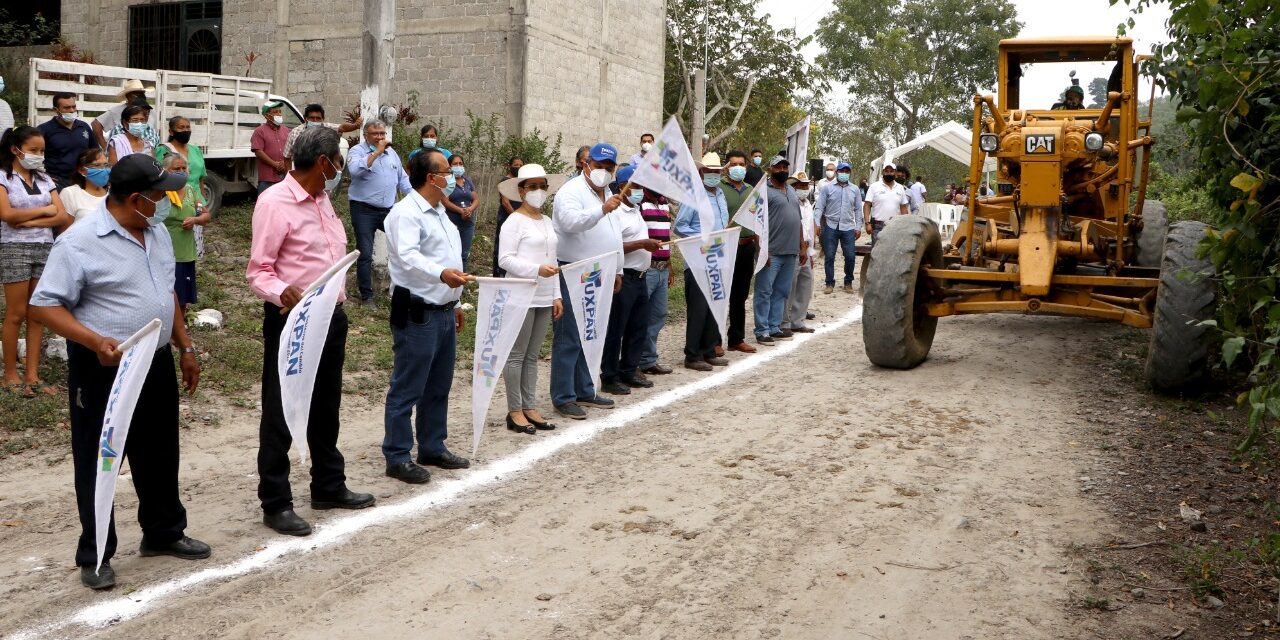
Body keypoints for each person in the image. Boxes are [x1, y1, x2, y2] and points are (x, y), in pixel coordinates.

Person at [29, 153, 209, 590]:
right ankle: (96, 553)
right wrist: (94, 342)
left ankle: (164, 532)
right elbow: (44, 305)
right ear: (135, 198)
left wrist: (184, 345)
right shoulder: (79, 241)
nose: (168, 201)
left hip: (155, 360)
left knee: (160, 449)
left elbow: (166, 294)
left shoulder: (157, 233)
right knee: (100, 456)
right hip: (103, 367)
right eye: (160, 195)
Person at [246, 126, 375, 536]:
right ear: (323, 162)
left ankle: (327, 484)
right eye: (338, 160)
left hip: (330, 320)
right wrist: (283, 292)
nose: (341, 168)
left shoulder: (323, 201)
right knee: (282, 409)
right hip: (293, 321)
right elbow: (258, 271)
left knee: (325, 404)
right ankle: (276, 501)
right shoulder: (275, 203)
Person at [379, 148, 473, 483]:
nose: (453, 176)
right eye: (447, 171)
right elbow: (407, 257)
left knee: (438, 384)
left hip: (444, 311)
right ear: (431, 178)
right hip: (418, 311)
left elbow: (450, 258)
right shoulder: (407, 213)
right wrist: (441, 275)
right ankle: (397, 454)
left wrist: (456, 301)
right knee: (407, 386)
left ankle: (432, 445)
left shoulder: (439, 213)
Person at [550, 142, 623, 420]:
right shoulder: (571, 191)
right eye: (599, 166)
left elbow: (614, 233)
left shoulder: (608, 192)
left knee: (590, 331)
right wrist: (602, 210)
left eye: (609, 168)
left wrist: (618, 268)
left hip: (599, 272)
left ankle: (584, 387)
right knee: (569, 336)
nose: (603, 172)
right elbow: (570, 223)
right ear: (585, 164)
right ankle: (563, 396)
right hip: (572, 271)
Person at [1, 126, 71, 395]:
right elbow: (6, 214)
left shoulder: (45, 179)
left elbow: (62, 216)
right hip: (13, 248)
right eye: (33, 150)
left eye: (41, 151)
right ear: (15, 149)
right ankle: (10, 373)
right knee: (16, 313)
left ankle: (32, 374)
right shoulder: (3, 178)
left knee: (37, 313)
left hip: (45, 247)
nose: (38, 155)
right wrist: (44, 211)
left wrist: (27, 218)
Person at [496, 163, 566, 433]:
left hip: (544, 295)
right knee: (516, 355)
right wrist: (535, 270)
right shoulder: (514, 221)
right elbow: (505, 259)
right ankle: (515, 410)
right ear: (521, 190)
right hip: (520, 294)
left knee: (532, 355)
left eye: (542, 186)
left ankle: (529, 405)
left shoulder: (547, 221)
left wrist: (556, 294)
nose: (537, 191)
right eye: (532, 186)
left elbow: (553, 260)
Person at [599, 164, 662, 395]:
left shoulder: (636, 209)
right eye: (636, 186)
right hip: (623, 276)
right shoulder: (615, 212)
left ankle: (629, 369)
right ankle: (609, 375)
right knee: (616, 328)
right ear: (622, 187)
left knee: (638, 326)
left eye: (643, 186)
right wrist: (642, 244)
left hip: (641, 277)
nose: (640, 190)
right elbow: (612, 247)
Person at [673, 152, 731, 371]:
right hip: (698, 259)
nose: (713, 175)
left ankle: (709, 349)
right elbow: (680, 226)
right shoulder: (693, 196)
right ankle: (693, 354)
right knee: (698, 308)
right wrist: (702, 239)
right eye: (709, 171)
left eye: (717, 171)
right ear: (701, 173)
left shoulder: (720, 195)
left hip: (718, 258)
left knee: (714, 303)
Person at [347, 119, 412, 304]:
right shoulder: (357, 151)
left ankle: (401, 291)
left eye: (382, 134)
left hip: (388, 210)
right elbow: (354, 171)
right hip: (363, 210)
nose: (380, 137)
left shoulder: (392, 154)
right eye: (375, 134)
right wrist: (376, 152)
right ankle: (367, 296)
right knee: (365, 253)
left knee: (403, 247)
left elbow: (403, 179)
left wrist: (417, 198)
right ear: (366, 135)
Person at [753, 156, 804, 344]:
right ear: (770, 168)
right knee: (764, 291)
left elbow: (798, 220)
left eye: (785, 166)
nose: (782, 169)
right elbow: (756, 222)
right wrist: (762, 250)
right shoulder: (763, 191)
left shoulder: (791, 190)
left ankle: (774, 327)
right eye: (778, 167)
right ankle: (762, 330)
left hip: (790, 251)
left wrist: (803, 246)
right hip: (771, 251)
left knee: (781, 291)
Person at [158, 153, 210, 313]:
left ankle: (180, 326)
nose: (181, 171)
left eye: (183, 168)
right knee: (166, 293)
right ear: (166, 170)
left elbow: (206, 214)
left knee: (182, 295)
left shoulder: (190, 191)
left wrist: (195, 220)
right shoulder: (161, 192)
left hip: (185, 252)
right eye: (176, 169)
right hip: (164, 251)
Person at [718, 149, 758, 355]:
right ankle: (715, 340)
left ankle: (736, 338)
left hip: (747, 246)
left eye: (742, 164)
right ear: (726, 167)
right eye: (733, 164)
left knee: (740, 295)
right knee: (721, 293)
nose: (738, 168)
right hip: (726, 247)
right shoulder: (719, 188)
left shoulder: (752, 188)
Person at [156, 116, 212, 257]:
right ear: (171, 131)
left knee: (192, 242)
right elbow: (157, 177)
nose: (186, 130)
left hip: (194, 201)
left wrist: (202, 200)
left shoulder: (195, 150)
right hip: (172, 201)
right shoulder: (163, 150)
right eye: (181, 127)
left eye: (188, 127)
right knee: (172, 245)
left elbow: (201, 177)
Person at [637, 187, 674, 376]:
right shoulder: (639, 203)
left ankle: (648, 359)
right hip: (647, 267)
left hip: (662, 267)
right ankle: (632, 362)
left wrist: (669, 264)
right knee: (638, 316)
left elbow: (666, 236)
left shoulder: (664, 202)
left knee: (658, 315)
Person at [815, 161, 864, 294]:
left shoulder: (855, 189)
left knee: (850, 256)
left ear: (850, 173)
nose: (844, 174)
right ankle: (829, 283)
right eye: (842, 171)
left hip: (848, 227)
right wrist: (817, 223)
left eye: (847, 171)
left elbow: (858, 210)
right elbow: (820, 207)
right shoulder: (827, 188)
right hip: (830, 226)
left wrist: (858, 226)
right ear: (837, 172)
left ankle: (848, 282)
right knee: (829, 256)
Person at [783, 170, 818, 334]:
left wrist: (811, 251)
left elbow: (810, 229)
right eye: (801, 185)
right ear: (794, 186)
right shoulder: (790, 202)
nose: (804, 188)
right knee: (790, 285)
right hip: (794, 248)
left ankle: (798, 320)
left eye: (806, 185)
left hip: (807, 249)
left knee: (806, 283)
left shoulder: (808, 205)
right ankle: (785, 320)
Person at [38, 92, 95, 187]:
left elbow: (94, 152)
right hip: (58, 181)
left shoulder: (84, 127)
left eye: (74, 107)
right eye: (66, 108)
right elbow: (32, 155)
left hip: (83, 179)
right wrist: (42, 176)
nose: (72, 110)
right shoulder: (44, 130)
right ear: (56, 110)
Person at [282, 103, 360, 163]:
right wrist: (290, 174)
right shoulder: (295, 132)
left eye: (318, 118)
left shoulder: (327, 128)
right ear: (305, 118)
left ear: (323, 119)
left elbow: (342, 127)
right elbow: (287, 157)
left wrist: (355, 126)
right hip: (300, 174)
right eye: (312, 118)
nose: (315, 121)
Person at [93, 79, 158, 150]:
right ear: (128, 96)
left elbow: (154, 138)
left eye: (141, 93)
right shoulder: (116, 112)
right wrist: (105, 147)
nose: (140, 96)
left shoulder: (152, 112)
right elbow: (96, 124)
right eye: (136, 94)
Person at [442, 152, 478, 268]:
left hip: (468, 223)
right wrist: (461, 211)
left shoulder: (467, 181)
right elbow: (445, 201)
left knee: (464, 254)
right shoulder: (447, 181)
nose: (458, 166)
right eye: (455, 164)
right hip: (452, 222)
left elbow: (476, 199)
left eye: (460, 164)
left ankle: (462, 280)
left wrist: (470, 209)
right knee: (452, 253)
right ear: (449, 166)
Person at [492, 156, 524, 277]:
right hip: (507, 217)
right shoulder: (504, 181)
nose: (518, 167)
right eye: (516, 165)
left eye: (521, 165)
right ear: (509, 166)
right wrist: (515, 216)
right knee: (504, 244)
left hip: (519, 216)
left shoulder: (521, 181)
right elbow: (505, 202)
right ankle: (500, 274)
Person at [251, 100, 291, 194]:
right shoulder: (259, 131)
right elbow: (258, 151)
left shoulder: (286, 130)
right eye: (275, 112)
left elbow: (291, 149)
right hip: (267, 179)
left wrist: (285, 163)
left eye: (280, 112)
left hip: (284, 176)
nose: (279, 114)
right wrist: (275, 164)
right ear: (267, 115)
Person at [59, 148, 110, 222]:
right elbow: (65, 231)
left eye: (106, 165)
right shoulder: (70, 193)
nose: (103, 170)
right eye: (97, 165)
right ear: (81, 170)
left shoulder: (113, 193)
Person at [864, 163, 910, 244]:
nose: (889, 173)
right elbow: (867, 205)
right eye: (886, 171)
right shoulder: (874, 186)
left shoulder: (900, 188)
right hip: (878, 227)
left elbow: (903, 207)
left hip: (895, 226)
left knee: (893, 252)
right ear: (883, 172)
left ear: (895, 173)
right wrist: (867, 223)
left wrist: (905, 225)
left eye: (891, 171)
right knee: (877, 253)